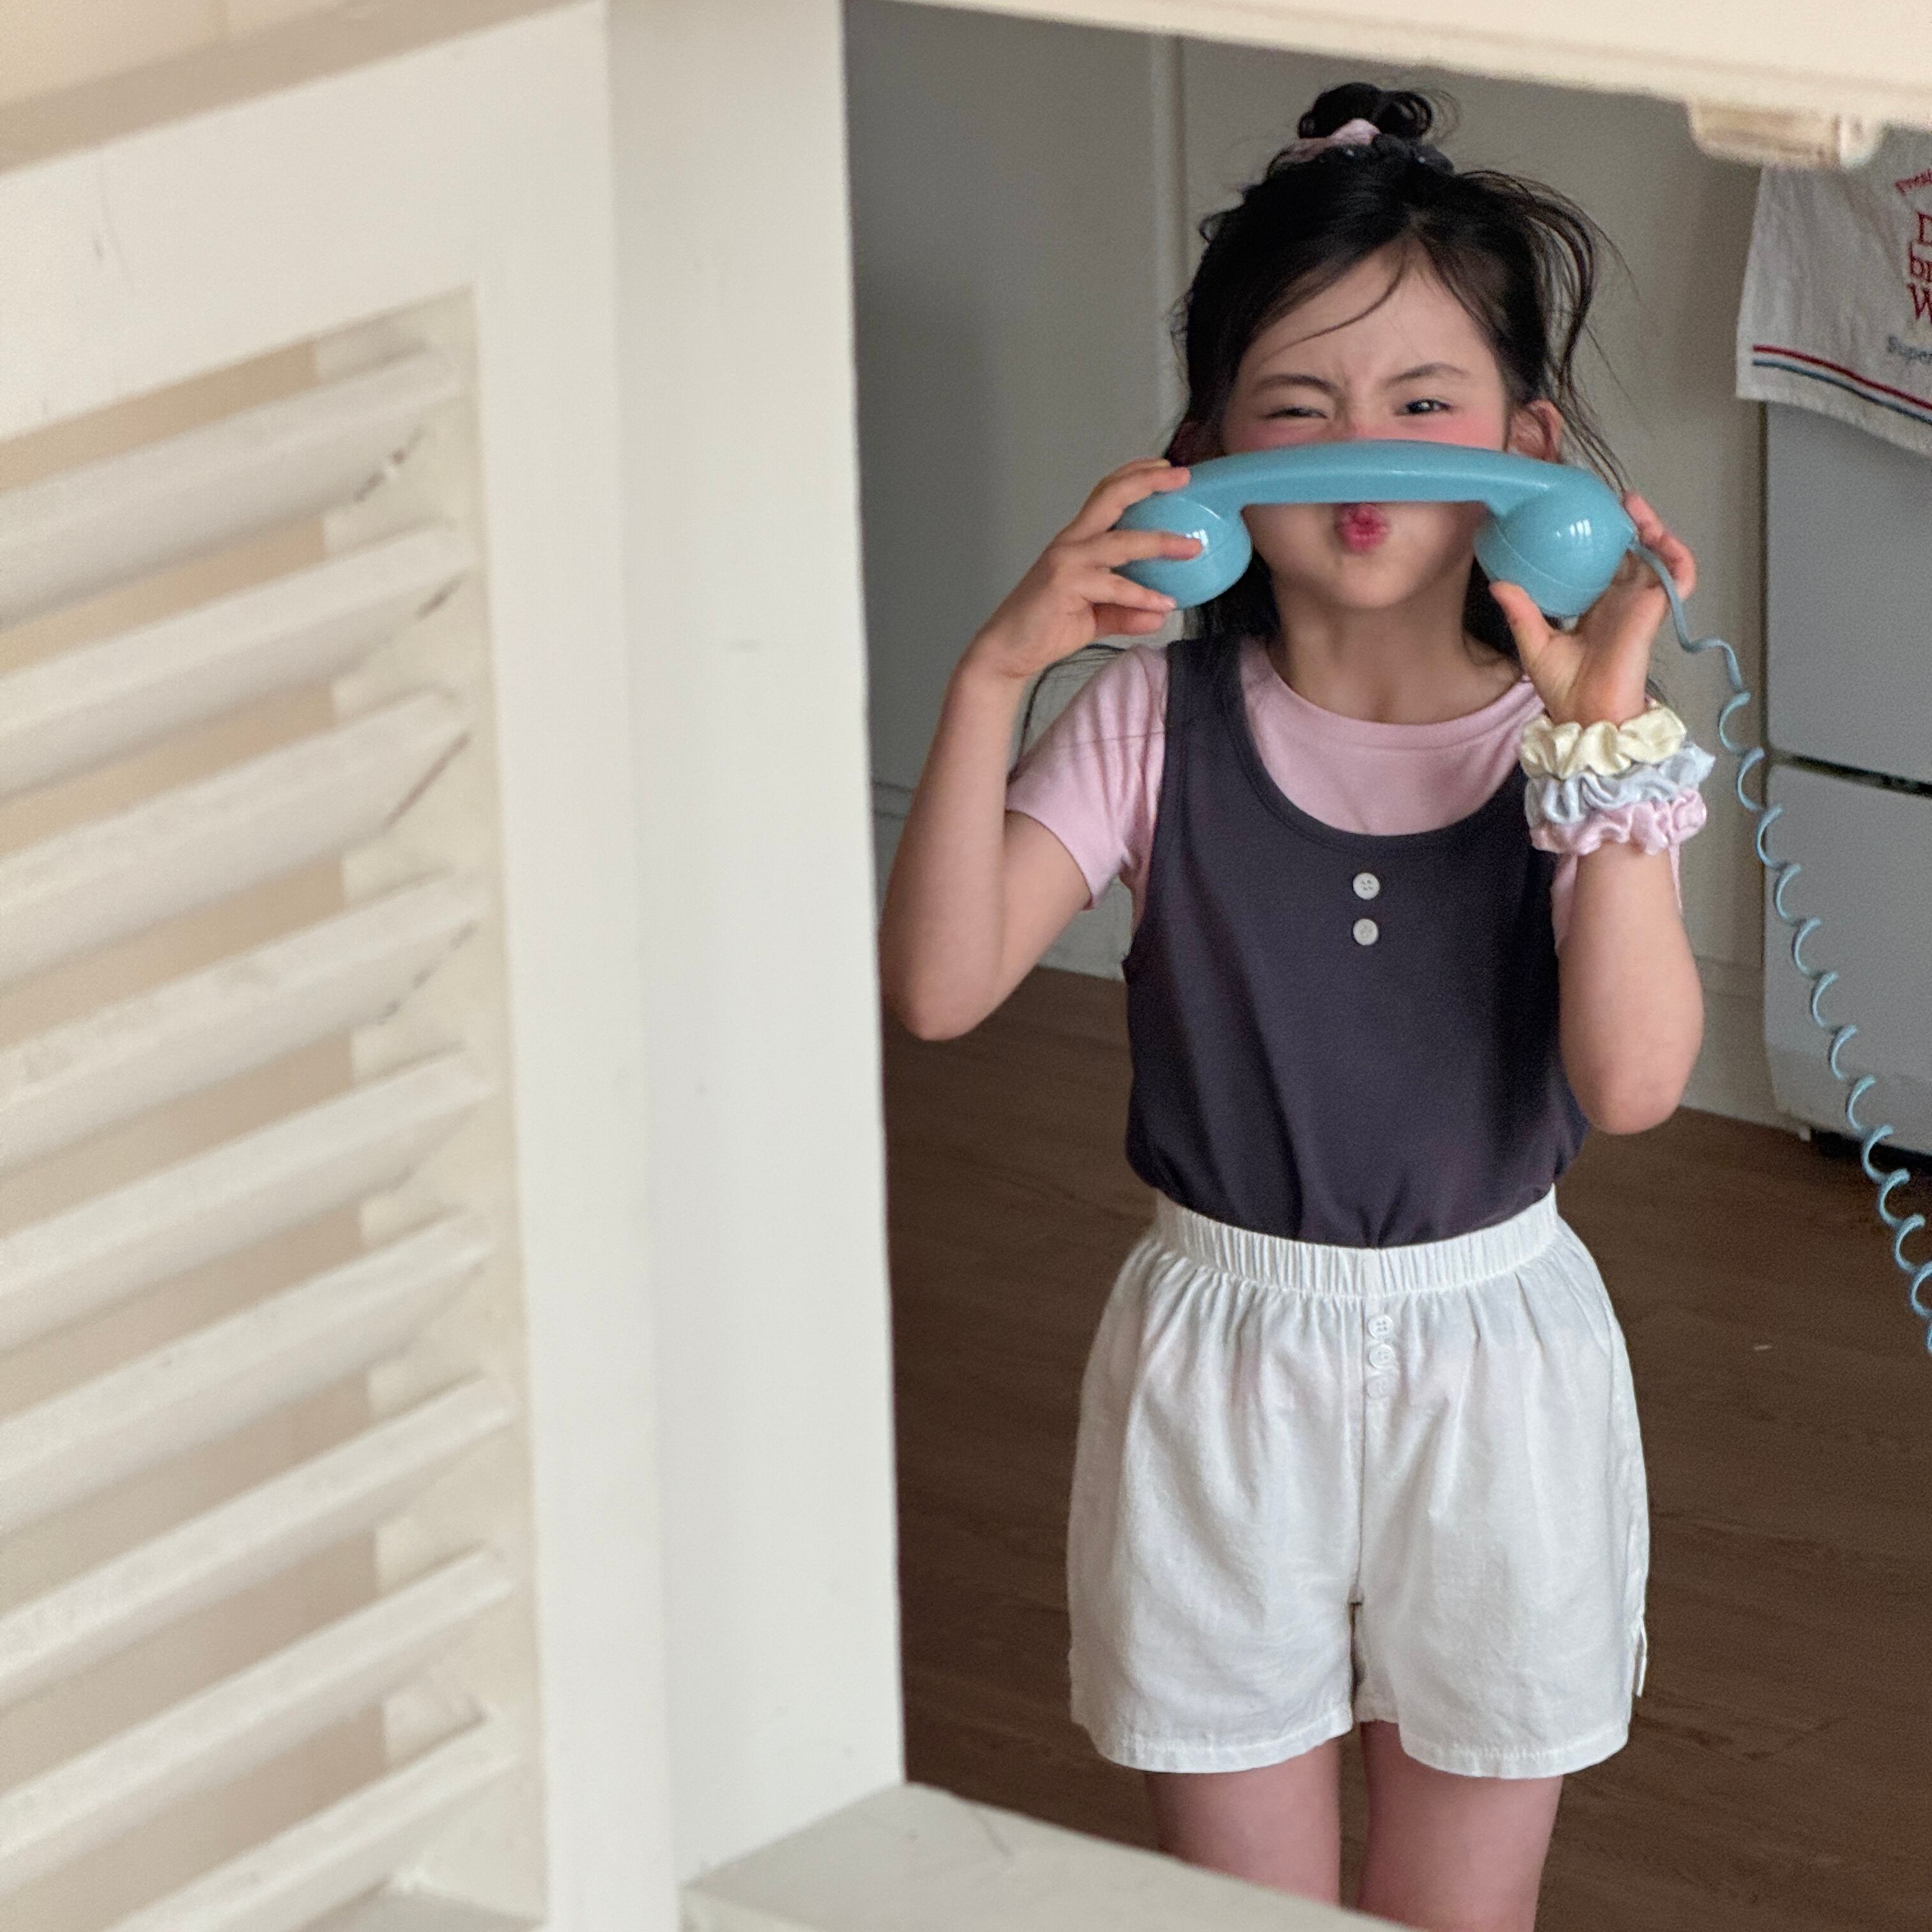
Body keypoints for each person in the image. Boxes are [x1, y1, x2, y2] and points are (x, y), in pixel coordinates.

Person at [877, 80, 1708, 1932]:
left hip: (1496, 1364)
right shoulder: (1150, 723)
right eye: (1298, 410)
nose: (1361, 458)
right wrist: (993, 674)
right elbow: (937, 989)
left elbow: (1637, 1081)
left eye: (1425, 404)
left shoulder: (1583, 749)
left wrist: (1599, 743)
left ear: (1533, 451)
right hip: (1220, 1362)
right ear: (1203, 459)